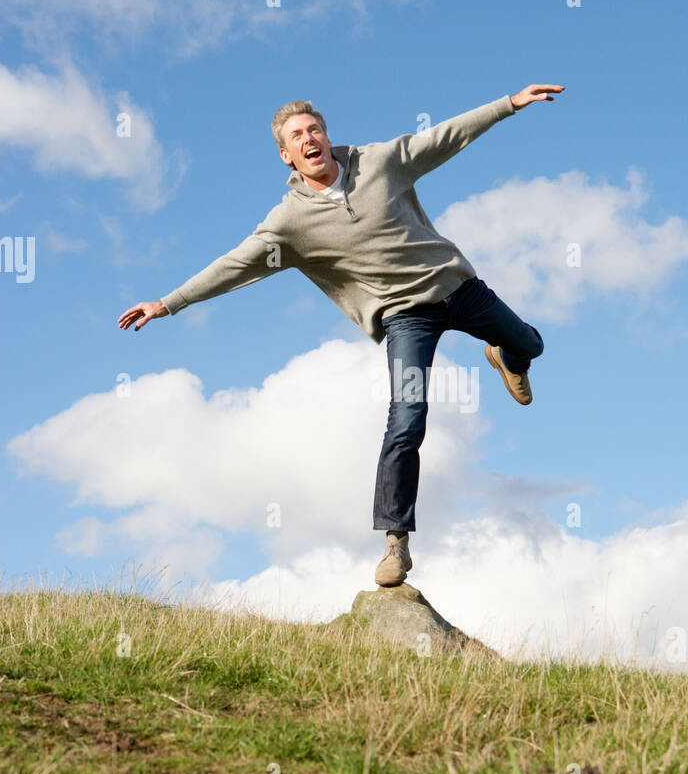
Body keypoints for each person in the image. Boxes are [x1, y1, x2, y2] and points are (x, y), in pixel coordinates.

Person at [118, 83, 562, 586]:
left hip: (459, 290)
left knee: (532, 344)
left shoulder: (380, 162)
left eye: (315, 129)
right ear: (286, 155)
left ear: (327, 137)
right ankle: (396, 542)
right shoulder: (290, 223)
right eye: (297, 136)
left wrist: (508, 105)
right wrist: (169, 303)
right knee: (406, 420)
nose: (309, 139)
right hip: (405, 318)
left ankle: (509, 358)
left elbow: (443, 138)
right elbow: (235, 265)